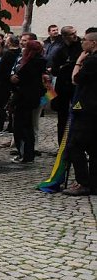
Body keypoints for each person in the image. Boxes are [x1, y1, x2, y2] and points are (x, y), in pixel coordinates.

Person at [63, 31, 97, 196]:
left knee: (75, 146)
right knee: (93, 147)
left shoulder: (91, 61)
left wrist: (78, 62)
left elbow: (75, 79)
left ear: (94, 43)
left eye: (85, 40)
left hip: (87, 109)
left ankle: (83, 182)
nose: (82, 42)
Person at [9, 40, 46, 164]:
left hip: (24, 98)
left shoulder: (29, 64)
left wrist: (13, 80)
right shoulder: (41, 62)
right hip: (34, 98)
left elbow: (20, 80)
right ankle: (27, 154)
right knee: (29, 126)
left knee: (22, 127)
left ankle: (25, 155)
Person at [51, 26, 82, 145]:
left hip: (76, 86)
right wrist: (62, 68)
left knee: (78, 116)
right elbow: (54, 69)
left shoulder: (80, 47)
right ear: (64, 36)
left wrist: (67, 66)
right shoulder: (60, 50)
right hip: (63, 87)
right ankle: (62, 145)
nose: (75, 36)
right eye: (71, 34)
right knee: (62, 117)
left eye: (75, 33)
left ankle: (76, 144)